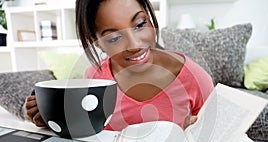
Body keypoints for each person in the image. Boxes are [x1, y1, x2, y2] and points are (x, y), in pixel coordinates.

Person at [25, 0, 214, 131]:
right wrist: (51, 117)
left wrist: (193, 134)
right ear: (96, 42)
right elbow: (88, 131)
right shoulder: (94, 78)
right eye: (114, 38)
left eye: (140, 24)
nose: (135, 45)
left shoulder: (194, 76)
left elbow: (216, 137)